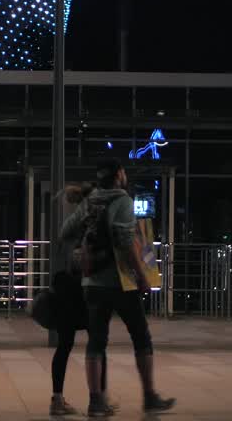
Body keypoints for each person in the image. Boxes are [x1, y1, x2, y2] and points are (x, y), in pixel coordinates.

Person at [73, 159, 175, 417]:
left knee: (96, 341)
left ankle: (95, 402)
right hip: (121, 282)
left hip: (92, 282)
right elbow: (126, 243)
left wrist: (80, 251)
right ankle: (149, 396)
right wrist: (142, 276)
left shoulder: (89, 202)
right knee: (141, 337)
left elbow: (66, 231)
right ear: (119, 175)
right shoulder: (123, 201)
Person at [50, 183, 114, 416]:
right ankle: (99, 398)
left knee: (64, 346)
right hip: (87, 290)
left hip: (66, 290)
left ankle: (57, 399)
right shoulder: (90, 223)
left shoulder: (68, 225)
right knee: (97, 344)